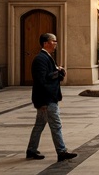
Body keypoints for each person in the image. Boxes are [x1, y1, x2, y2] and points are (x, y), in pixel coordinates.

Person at [27, 33, 77, 161]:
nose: (56, 43)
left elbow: (50, 76)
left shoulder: (47, 57)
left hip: (48, 98)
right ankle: (61, 151)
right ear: (46, 43)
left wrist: (58, 72)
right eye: (54, 41)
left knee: (39, 125)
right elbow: (41, 81)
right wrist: (56, 73)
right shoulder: (40, 59)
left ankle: (31, 150)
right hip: (47, 99)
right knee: (56, 125)